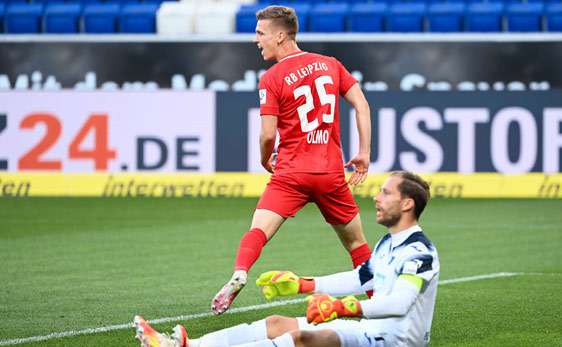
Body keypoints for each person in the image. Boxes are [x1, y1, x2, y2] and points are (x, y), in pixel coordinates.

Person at [134, 171, 440, 347]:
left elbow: (401, 303)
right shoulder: (390, 243)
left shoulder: (419, 252)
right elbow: (361, 278)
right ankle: (187, 345)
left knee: (302, 339)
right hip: (373, 331)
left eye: (386, 193)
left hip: (395, 342)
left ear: (407, 203)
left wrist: (344, 306)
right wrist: (303, 285)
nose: (377, 197)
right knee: (276, 322)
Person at [211, 5, 373, 315]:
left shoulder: (272, 78)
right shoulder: (330, 65)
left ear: (281, 35)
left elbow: (267, 136)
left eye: (261, 33)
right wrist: (364, 152)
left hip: (291, 172)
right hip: (329, 172)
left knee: (258, 231)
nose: (256, 40)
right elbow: (361, 104)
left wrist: (263, 159)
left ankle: (240, 271)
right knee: (357, 247)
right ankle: (379, 304)